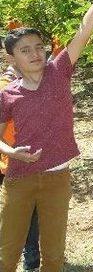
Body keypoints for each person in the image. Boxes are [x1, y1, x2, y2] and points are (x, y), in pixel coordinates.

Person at [0, 0, 93, 272]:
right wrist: (12, 152)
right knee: (7, 255)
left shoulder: (58, 72)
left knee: (53, 257)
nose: (35, 53)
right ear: (12, 57)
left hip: (57, 179)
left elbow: (84, 31)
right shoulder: (7, 94)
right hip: (19, 181)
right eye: (25, 50)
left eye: (39, 47)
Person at [0, 59, 40, 272]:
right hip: (13, 161)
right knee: (25, 214)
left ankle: (31, 260)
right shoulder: (7, 87)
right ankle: (29, 260)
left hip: (21, 159)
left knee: (28, 212)